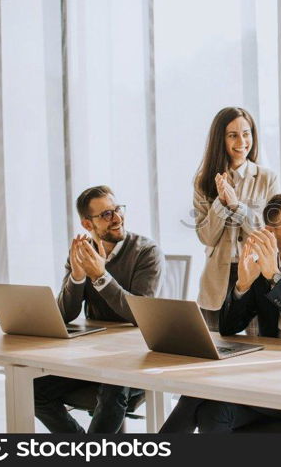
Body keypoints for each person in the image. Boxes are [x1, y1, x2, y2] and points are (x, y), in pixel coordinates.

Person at [160, 193, 281, 433]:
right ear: (270, 233)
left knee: (201, 395)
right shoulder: (264, 266)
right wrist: (242, 285)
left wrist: (274, 277)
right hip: (271, 379)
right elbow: (228, 328)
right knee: (211, 409)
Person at [34, 185, 165, 433]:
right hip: (92, 355)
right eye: (106, 214)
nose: (116, 218)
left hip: (137, 356)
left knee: (113, 386)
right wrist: (77, 275)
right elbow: (65, 314)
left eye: (117, 209)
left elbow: (141, 313)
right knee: (34, 389)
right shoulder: (82, 252)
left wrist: (101, 277)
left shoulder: (147, 251)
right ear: (87, 224)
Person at [193, 107, 280, 330]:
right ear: (220, 139)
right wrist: (220, 204)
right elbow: (207, 237)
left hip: (257, 275)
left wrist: (236, 206)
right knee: (214, 349)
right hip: (216, 279)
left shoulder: (267, 178)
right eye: (232, 135)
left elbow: (270, 233)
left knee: (257, 352)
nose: (241, 141)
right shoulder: (203, 181)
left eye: (246, 133)